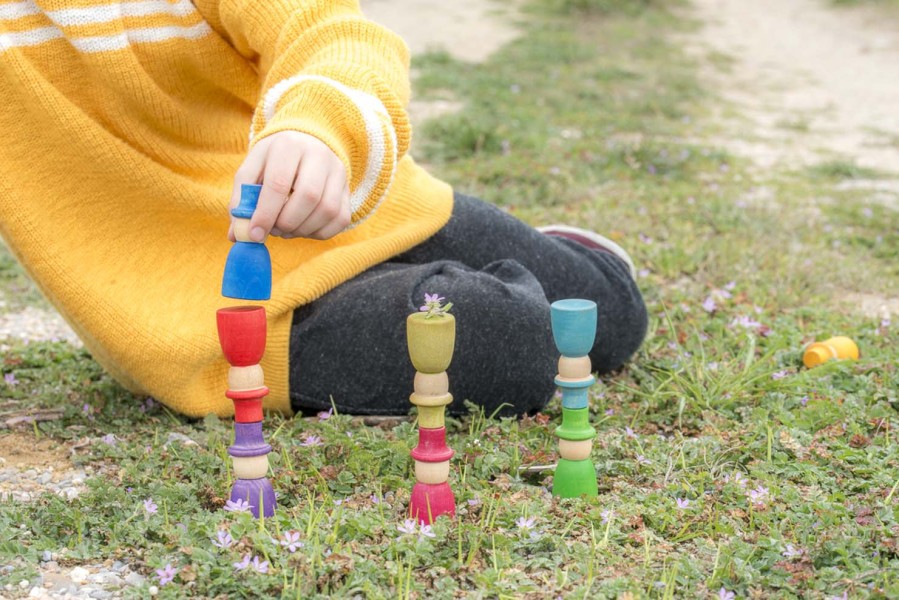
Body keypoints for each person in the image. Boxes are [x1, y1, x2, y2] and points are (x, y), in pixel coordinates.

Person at [0, 0, 647, 418]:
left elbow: (334, 32)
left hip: (370, 212)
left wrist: (314, 128)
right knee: (507, 340)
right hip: (234, 321)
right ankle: (463, 289)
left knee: (609, 315)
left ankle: (529, 259)